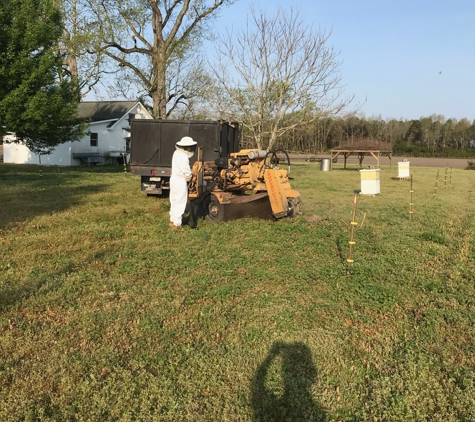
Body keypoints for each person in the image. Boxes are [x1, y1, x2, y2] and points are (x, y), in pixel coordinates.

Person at [169, 136, 197, 229]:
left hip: (174, 179)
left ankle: (173, 220)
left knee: (174, 201)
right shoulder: (183, 156)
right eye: (190, 146)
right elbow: (187, 172)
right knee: (180, 202)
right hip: (180, 181)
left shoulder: (176, 153)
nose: (191, 148)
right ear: (186, 146)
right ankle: (176, 224)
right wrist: (190, 177)